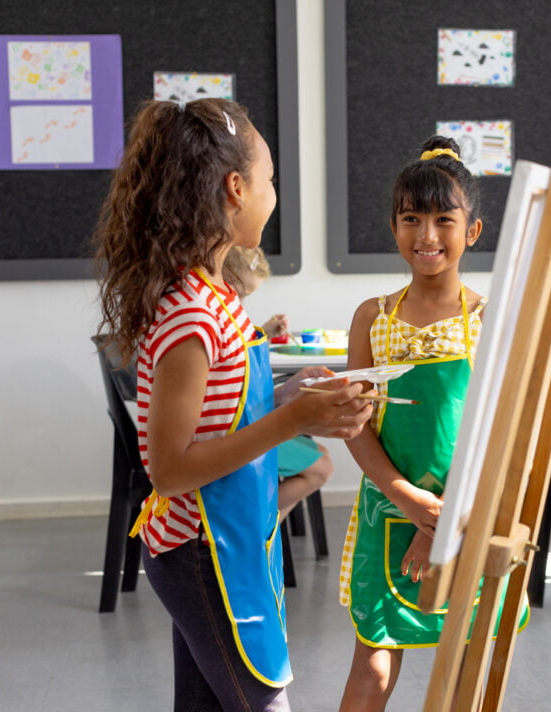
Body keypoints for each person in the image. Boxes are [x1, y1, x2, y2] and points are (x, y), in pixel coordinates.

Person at [92, 97, 372, 712]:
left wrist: (296, 395)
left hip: (227, 540)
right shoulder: (191, 312)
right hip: (201, 551)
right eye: (270, 180)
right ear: (236, 188)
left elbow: (228, 408)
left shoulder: (215, 294)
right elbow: (169, 469)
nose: (275, 194)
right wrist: (289, 421)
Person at [337, 136, 527, 711]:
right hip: (385, 509)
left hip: (470, 515)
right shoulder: (373, 318)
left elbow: (500, 433)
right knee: (372, 661)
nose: (426, 236)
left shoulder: (489, 320)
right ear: (393, 226)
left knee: (464, 672)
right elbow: (356, 424)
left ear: (472, 231)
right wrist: (406, 500)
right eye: (411, 218)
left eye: (443, 219)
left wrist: (435, 521)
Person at [222, 245, 334, 520]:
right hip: (236, 433)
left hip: (244, 424)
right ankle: (258, 524)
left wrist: (264, 331)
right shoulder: (218, 321)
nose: (241, 300)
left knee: (318, 453)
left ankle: (264, 528)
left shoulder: (228, 318)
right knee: (320, 467)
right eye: (240, 293)